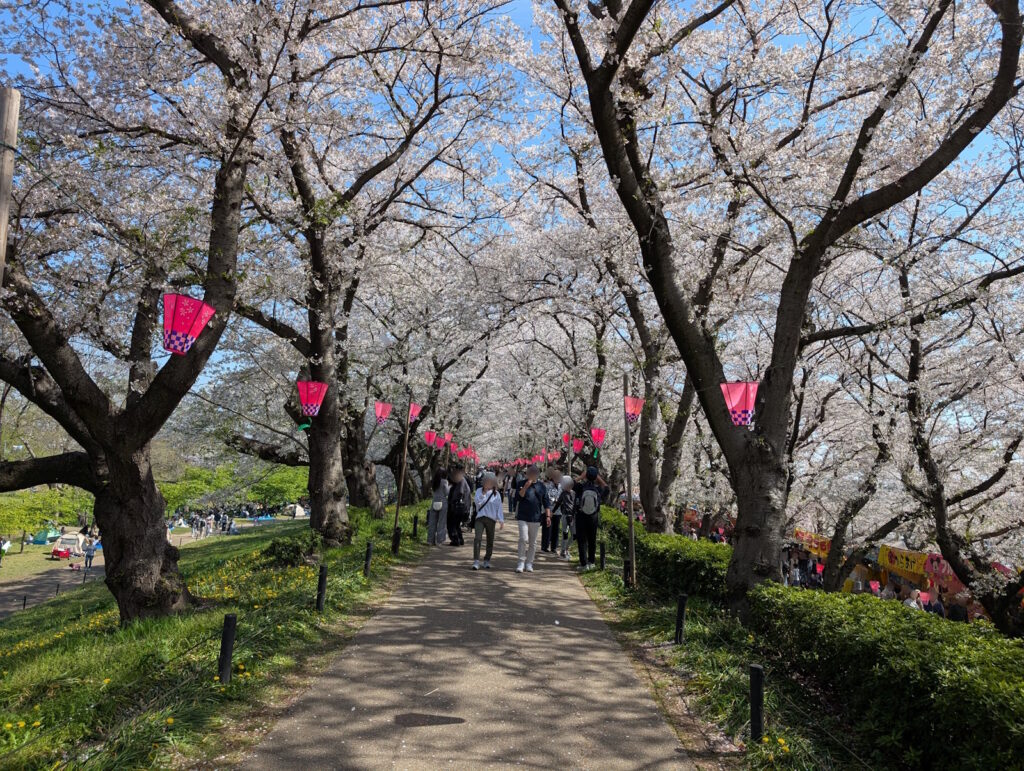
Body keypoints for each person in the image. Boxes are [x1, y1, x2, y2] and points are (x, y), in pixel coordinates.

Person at [513, 464, 550, 573]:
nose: (532, 475)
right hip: (522, 516)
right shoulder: (521, 483)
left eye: (534, 473)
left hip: (536, 517)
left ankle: (529, 563)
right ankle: (521, 562)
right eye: (530, 473)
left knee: (533, 542)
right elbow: (518, 498)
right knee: (523, 538)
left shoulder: (541, 486)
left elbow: (546, 502)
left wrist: (548, 516)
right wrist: (526, 486)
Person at [574, 466, 606, 571]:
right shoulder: (597, 489)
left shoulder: (580, 487)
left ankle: (583, 564)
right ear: (596, 476)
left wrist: (580, 477)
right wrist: (599, 478)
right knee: (592, 539)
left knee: (582, 540)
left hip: (581, 516)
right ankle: (591, 562)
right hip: (593, 517)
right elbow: (606, 488)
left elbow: (570, 483)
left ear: (586, 476)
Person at [472, 472, 505, 570]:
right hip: (480, 518)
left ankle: (487, 560)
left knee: (490, 540)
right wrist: (483, 493)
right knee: (477, 538)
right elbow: (477, 503)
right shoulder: (479, 491)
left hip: (491, 519)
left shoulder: (496, 494)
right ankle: (476, 560)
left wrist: (501, 520)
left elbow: (499, 507)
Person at [447, 465, 472, 547]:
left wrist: (453, 501)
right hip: (462, 507)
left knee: (452, 523)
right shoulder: (462, 480)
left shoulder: (460, 480)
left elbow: (460, 492)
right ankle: (460, 539)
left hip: (458, 507)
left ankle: (455, 540)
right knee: (456, 524)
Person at [541, 467, 563, 553]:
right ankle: (544, 546)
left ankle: (554, 547)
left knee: (556, 530)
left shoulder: (561, 486)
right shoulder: (547, 486)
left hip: (558, 511)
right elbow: (547, 498)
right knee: (547, 529)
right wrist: (556, 500)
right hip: (548, 511)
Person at [553, 476, 575, 561]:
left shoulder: (574, 493)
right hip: (565, 515)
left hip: (573, 516)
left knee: (574, 534)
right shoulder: (563, 493)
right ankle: (563, 551)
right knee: (565, 533)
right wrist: (552, 512)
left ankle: (566, 548)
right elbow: (558, 503)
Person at [427, 469, 449, 546]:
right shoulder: (444, 481)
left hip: (434, 502)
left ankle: (430, 540)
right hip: (442, 503)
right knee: (441, 522)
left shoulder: (433, 481)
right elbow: (447, 492)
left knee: (432, 522)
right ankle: (440, 540)